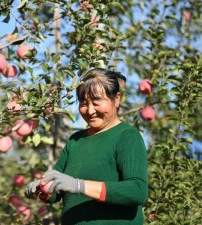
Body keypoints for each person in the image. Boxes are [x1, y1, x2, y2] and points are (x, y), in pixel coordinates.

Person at [25, 68, 148, 224]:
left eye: (96, 102)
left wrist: (79, 186)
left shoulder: (127, 137)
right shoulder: (75, 141)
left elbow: (137, 190)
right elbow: (57, 189)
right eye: (83, 102)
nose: (90, 110)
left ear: (116, 99)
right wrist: (42, 188)